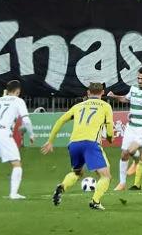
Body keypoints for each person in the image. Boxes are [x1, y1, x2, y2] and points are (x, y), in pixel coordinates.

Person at [42, 82, 117, 211]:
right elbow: (109, 126)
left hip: (74, 144)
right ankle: (95, 201)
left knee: (77, 172)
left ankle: (62, 186)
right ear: (102, 93)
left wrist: (50, 141)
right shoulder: (105, 106)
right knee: (106, 176)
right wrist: (110, 137)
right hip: (90, 143)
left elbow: (60, 121)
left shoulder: (78, 106)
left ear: (88, 93)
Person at [108, 69, 142, 191]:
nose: (139, 81)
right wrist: (114, 97)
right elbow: (126, 99)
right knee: (124, 154)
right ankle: (122, 183)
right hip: (131, 126)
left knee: (131, 150)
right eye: (138, 78)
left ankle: (137, 161)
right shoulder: (133, 88)